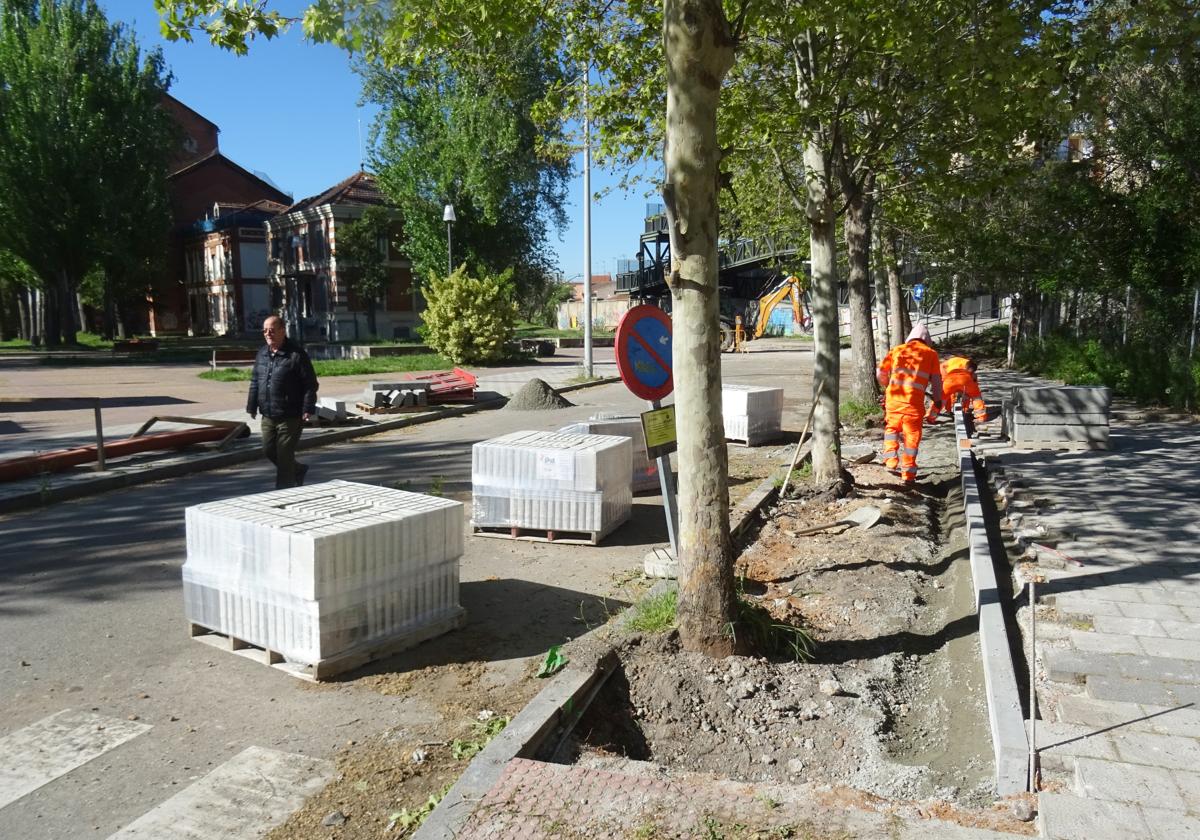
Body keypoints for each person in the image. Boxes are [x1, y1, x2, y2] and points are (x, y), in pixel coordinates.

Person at [246, 316, 319, 489]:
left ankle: (282, 492)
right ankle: (298, 470)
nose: (267, 333)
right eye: (264, 330)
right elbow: (255, 381)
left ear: (282, 331)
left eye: (271, 330)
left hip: (290, 414)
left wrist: (308, 408)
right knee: (268, 450)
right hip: (268, 414)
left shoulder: (296, 354)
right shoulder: (262, 353)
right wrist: (252, 405)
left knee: (284, 454)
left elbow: (310, 384)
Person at [877, 324, 943, 484]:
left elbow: (881, 372)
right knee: (911, 437)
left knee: (891, 428)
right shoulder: (930, 354)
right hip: (913, 404)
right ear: (927, 340)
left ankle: (891, 459)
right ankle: (908, 473)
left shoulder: (897, 350)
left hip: (893, 399)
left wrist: (886, 386)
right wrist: (938, 399)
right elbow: (936, 380)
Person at [937, 355, 988, 432]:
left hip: (950, 379)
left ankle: (933, 415)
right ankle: (951, 410)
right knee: (974, 395)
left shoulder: (965, 364)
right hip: (949, 376)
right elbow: (970, 386)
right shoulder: (957, 365)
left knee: (945, 394)